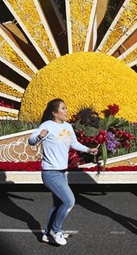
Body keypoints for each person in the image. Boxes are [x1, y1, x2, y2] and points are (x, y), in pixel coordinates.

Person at [28, 99, 98, 246]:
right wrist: (39, 136)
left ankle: (47, 233)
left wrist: (88, 149)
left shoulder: (67, 126)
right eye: (63, 108)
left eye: (66, 108)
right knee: (69, 201)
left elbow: (73, 143)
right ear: (54, 113)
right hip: (50, 172)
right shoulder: (47, 125)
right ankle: (56, 230)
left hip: (62, 172)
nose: (66, 111)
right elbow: (31, 140)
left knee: (58, 204)